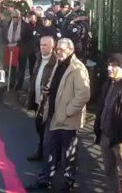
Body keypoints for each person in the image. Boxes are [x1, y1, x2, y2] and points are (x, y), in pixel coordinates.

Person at [27, 38, 90, 192]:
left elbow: (83, 94)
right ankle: (45, 180)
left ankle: (68, 182)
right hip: (53, 115)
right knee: (49, 149)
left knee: (68, 154)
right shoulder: (59, 64)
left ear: (71, 50)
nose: (59, 52)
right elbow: (55, 82)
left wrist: (68, 111)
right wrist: (47, 90)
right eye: (58, 49)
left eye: (62, 49)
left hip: (67, 119)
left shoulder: (77, 68)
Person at [94, 53, 122, 193]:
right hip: (105, 136)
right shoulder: (107, 84)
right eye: (109, 65)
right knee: (109, 172)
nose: (109, 68)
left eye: (114, 66)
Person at [27, 35, 57, 161]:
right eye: (41, 45)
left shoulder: (55, 62)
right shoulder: (39, 57)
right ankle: (41, 152)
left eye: (45, 45)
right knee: (39, 128)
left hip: (48, 103)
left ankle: (50, 156)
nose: (42, 47)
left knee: (48, 131)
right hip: (38, 100)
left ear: (52, 46)